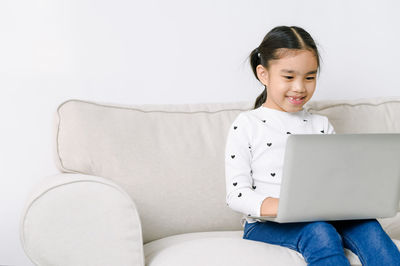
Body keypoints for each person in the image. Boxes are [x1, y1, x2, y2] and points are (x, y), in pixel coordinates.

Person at [224, 25, 400, 265]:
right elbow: (236, 194)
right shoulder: (247, 124)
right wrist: (287, 206)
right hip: (264, 225)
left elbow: (336, 182)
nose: (300, 87)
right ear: (263, 74)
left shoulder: (321, 125)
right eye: (288, 77)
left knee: (368, 226)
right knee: (319, 231)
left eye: (309, 77)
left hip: (323, 215)